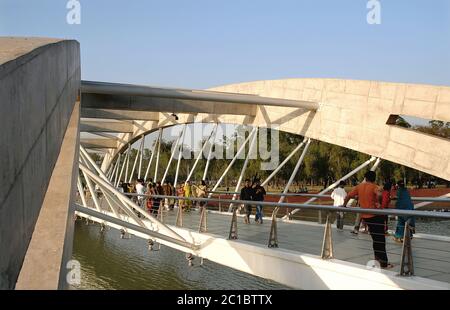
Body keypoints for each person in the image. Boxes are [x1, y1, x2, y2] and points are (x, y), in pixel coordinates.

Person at [342, 171, 393, 269]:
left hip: (365, 217)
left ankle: (377, 260)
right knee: (380, 240)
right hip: (375, 216)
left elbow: (348, 196)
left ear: (365, 178)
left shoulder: (359, 187)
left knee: (375, 239)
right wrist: (378, 203)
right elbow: (379, 194)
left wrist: (344, 205)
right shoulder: (375, 186)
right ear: (374, 178)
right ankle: (384, 264)